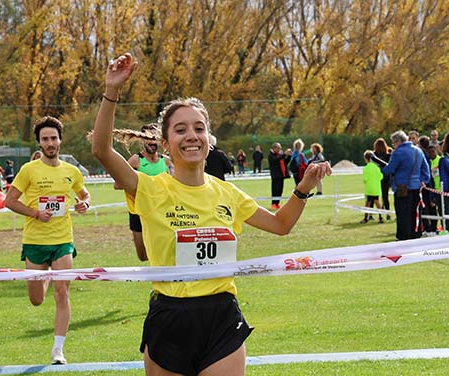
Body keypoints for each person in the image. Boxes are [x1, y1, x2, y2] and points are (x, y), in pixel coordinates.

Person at [91, 52, 331, 376]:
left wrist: (303, 189)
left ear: (208, 138)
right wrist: (112, 91)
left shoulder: (227, 193)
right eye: (180, 130)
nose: (191, 135)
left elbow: (281, 224)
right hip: (170, 317)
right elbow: (102, 150)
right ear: (165, 143)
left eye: (199, 128)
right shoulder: (149, 188)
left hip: (221, 316)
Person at [5, 116, 91, 365]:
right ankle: (42, 278)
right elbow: (10, 201)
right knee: (36, 299)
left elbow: (84, 194)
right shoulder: (29, 170)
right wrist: (34, 213)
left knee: (62, 291)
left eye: (54, 138)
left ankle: (58, 350)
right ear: (39, 143)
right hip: (34, 241)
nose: (50, 142)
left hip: (63, 240)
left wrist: (84, 203)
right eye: (45, 139)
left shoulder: (71, 172)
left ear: (60, 140)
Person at [127, 123, 171, 261]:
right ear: (142, 140)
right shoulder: (135, 160)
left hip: (160, 211)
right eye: (148, 138)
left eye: (155, 138)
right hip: (138, 212)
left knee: (163, 251)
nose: (152, 142)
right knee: (143, 256)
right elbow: (118, 184)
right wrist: (144, 184)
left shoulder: (167, 161)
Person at [382, 131, 430, 241]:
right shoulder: (419, 151)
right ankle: (416, 234)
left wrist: (381, 168)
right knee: (415, 213)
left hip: (402, 188)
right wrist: (422, 180)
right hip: (416, 188)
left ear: (398, 141)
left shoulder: (398, 153)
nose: (393, 145)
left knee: (403, 214)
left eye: (393, 143)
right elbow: (426, 170)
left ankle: (403, 237)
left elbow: (390, 169)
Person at [427, 145, 449, 234]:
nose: (431, 154)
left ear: (436, 151)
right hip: (436, 191)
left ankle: (446, 228)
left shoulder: (443, 161)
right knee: (440, 210)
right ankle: (443, 227)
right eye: (429, 152)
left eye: (433, 151)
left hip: (446, 189)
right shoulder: (429, 163)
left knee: (446, 209)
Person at [361, 150, 384, 224]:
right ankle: (381, 217)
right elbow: (381, 177)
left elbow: (365, 179)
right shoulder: (377, 167)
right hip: (376, 188)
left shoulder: (366, 168)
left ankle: (365, 218)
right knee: (377, 202)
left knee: (367, 203)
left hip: (369, 189)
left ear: (366, 159)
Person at [268, 142, 292, 210]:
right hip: (275, 176)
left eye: (280, 148)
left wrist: (289, 156)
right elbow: (276, 160)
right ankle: (273, 204)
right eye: (278, 148)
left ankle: (277, 203)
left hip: (281, 175)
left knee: (280, 190)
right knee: (275, 190)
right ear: (274, 148)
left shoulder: (280, 155)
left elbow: (285, 162)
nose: (280, 149)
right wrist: (284, 154)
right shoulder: (271, 155)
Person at [373, 138, 392, 220]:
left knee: (374, 197)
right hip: (386, 177)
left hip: (376, 178)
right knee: (385, 196)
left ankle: (374, 214)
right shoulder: (388, 155)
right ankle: (388, 214)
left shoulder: (374, 155)